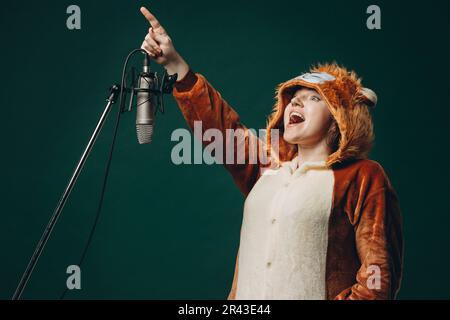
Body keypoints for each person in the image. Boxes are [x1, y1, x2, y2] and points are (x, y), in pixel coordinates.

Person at [139, 6, 403, 300]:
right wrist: (174, 64)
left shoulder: (363, 177)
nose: (296, 105)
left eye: (313, 99)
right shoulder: (268, 163)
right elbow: (221, 129)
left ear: (340, 119)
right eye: (294, 99)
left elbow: (377, 280)